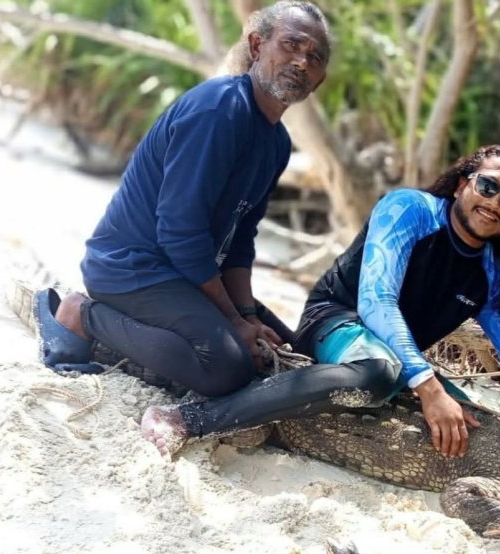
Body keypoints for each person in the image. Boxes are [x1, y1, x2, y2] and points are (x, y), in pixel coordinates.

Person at [142, 144, 500, 485]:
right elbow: (376, 300)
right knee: (379, 373)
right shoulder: (410, 210)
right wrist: (428, 386)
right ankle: (193, 419)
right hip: (337, 321)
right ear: (463, 183)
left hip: (396, 357)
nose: (495, 203)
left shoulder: (491, 273)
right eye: (488, 186)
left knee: (475, 425)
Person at [31, 1, 331, 397]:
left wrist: (247, 315)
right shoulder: (219, 111)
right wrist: (233, 322)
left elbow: (240, 240)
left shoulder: (276, 142)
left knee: (294, 352)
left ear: (319, 81)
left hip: (185, 274)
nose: (301, 62)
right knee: (226, 368)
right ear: (257, 45)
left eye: (315, 57)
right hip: (134, 270)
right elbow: (179, 231)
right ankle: (81, 315)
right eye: (291, 45)